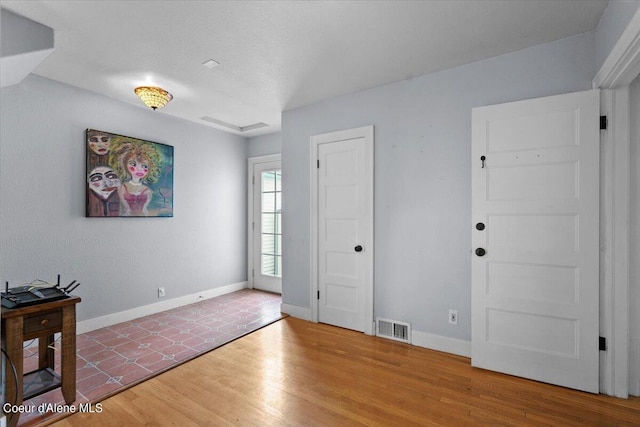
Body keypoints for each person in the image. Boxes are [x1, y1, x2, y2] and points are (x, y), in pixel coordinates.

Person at [109, 140, 162, 216]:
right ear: (124, 165)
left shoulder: (147, 191)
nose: (139, 169)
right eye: (133, 164)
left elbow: (145, 210)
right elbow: (124, 209)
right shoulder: (122, 188)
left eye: (144, 166)